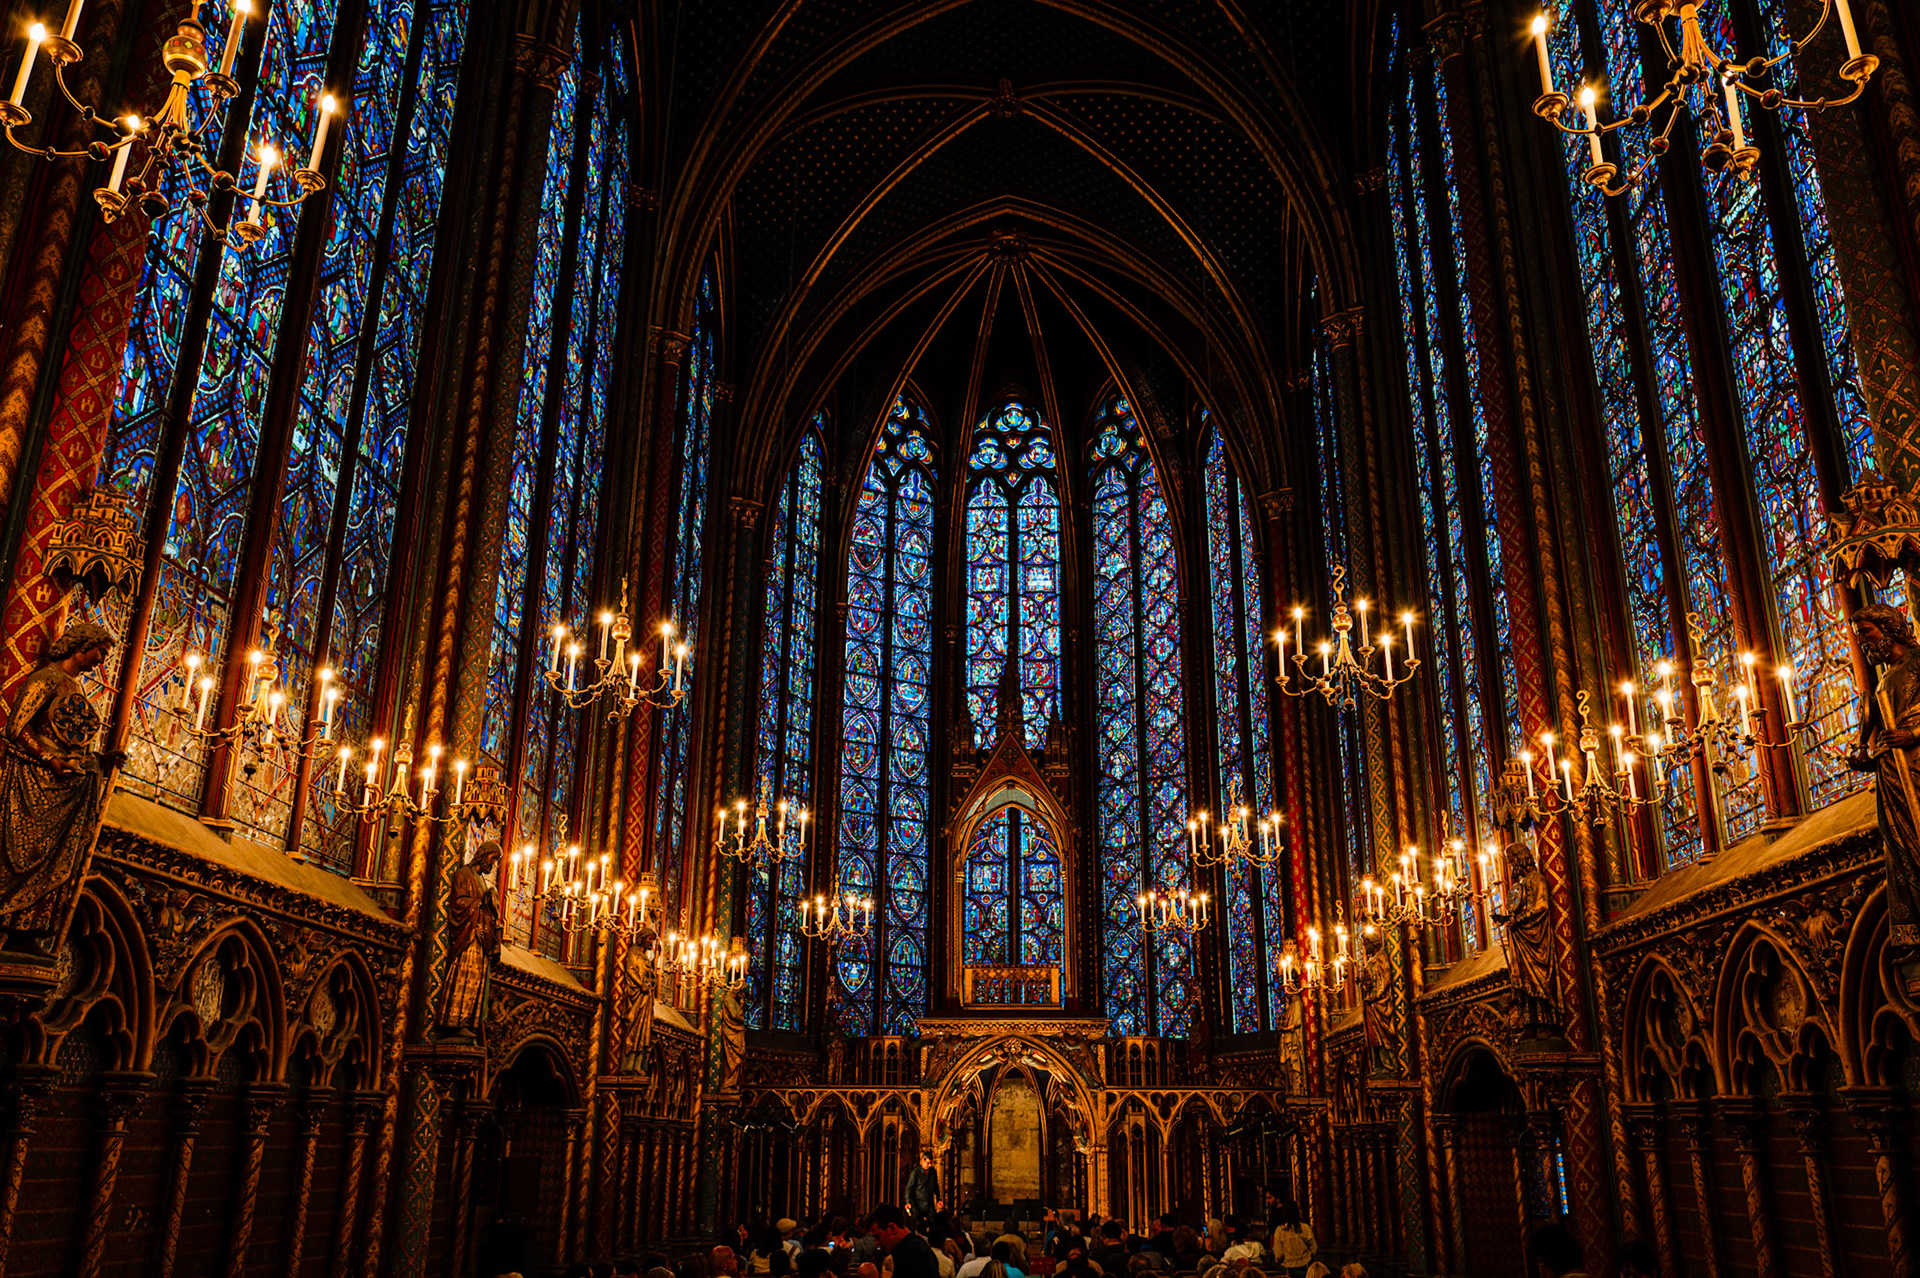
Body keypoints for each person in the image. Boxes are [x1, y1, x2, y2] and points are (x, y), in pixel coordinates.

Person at [0, 620, 116, 954]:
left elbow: (70, 738)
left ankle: (27, 933)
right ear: (82, 645)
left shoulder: (75, 688)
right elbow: (16, 728)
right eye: (100, 652)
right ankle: (7, 924)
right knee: (20, 853)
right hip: (32, 782)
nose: (100, 661)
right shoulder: (46, 679)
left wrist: (101, 760)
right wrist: (49, 760)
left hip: (65, 786)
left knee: (54, 859)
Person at [1851, 602, 1920, 957]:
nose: (1862, 643)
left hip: (1917, 769)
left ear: (1889, 629)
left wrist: (1914, 733)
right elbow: (1878, 734)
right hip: (1894, 780)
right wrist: (1865, 756)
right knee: (1902, 851)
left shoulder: (1918, 662)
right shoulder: (1881, 682)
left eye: (1866, 633)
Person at [874, 1206, 940, 1278]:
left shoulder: (911, 1254)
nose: (876, 1242)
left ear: (892, 1228)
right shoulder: (915, 1246)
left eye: (877, 1236)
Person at [1267, 1202, 1314, 1278]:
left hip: (1288, 1268)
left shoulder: (1280, 1231)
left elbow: (1279, 1255)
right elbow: (1313, 1248)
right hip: (1305, 1266)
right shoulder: (1306, 1228)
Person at [904, 1150, 944, 1230]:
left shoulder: (933, 1172)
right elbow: (909, 1188)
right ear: (922, 1161)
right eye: (927, 1163)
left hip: (929, 1202)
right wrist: (908, 1201)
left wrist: (939, 1199)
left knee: (933, 1222)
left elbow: (935, 1186)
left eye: (930, 1163)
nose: (929, 1165)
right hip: (918, 1202)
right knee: (919, 1224)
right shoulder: (916, 1173)